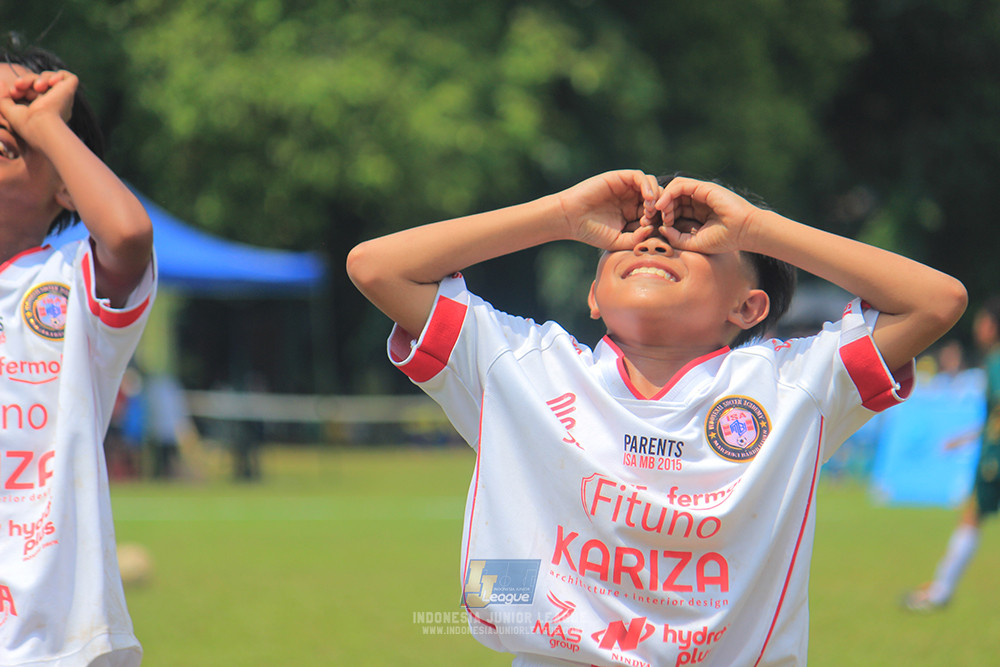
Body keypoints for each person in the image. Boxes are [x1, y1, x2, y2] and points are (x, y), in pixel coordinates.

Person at [348, 169, 966, 666]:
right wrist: (560, 213)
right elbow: (375, 267)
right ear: (593, 297)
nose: (651, 240)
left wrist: (757, 227)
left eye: (693, 240)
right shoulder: (521, 366)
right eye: (632, 238)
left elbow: (938, 301)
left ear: (750, 307)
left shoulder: (791, 387)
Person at [0, 35, 156, 665]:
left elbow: (127, 233)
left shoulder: (69, 275)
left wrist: (46, 123)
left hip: (54, 639)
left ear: (65, 187)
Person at [902, 297, 1000, 611]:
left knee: (970, 518)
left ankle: (941, 591)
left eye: (982, 319)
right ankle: (940, 589)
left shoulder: (996, 362)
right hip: (990, 452)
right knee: (970, 517)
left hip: (993, 460)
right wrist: (965, 438)